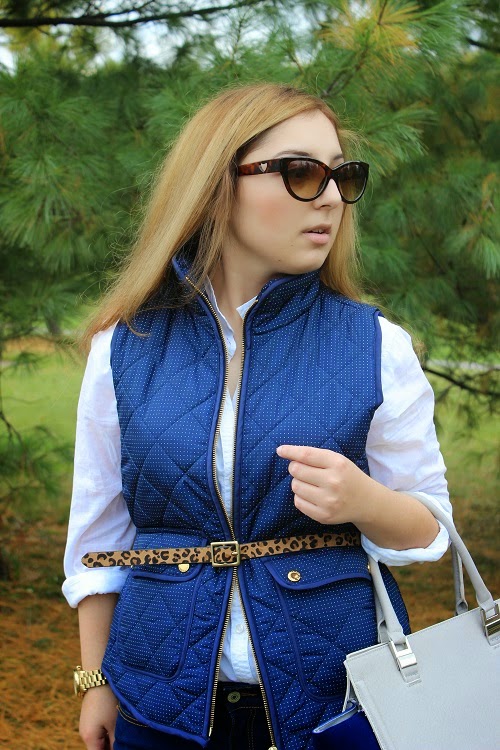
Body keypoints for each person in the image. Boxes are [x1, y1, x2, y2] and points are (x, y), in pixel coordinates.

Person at [63, 82, 452, 750]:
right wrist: (96, 680)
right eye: (301, 172)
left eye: (341, 176)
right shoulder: (125, 348)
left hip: (336, 708)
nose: (330, 198)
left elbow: (430, 529)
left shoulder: (376, 346)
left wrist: (364, 501)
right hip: (158, 708)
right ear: (218, 184)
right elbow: (99, 539)